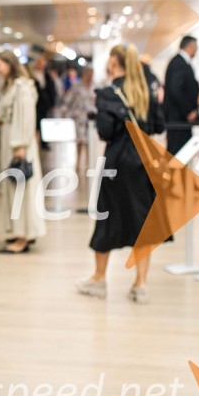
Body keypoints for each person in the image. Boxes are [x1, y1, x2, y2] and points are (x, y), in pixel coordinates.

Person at [77, 43, 165, 304]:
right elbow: (158, 125)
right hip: (144, 161)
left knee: (107, 216)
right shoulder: (147, 90)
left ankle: (99, 279)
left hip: (118, 160)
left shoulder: (108, 92)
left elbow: (105, 131)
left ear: (114, 61)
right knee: (142, 222)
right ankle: (141, 284)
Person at [0, 50, 46, 254]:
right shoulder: (12, 87)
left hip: (18, 147)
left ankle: (22, 237)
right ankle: (20, 232)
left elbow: (25, 118)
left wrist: (20, 147)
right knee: (16, 190)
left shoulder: (22, 87)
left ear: (9, 64)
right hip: (12, 144)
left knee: (21, 192)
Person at [164, 35, 199, 154]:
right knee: (177, 152)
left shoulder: (180, 62)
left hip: (179, 118)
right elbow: (175, 90)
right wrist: (188, 111)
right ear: (191, 46)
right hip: (178, 118)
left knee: (182, 152)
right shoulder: (179, 63)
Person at [58, 65, 96, 174]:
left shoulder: (95, 87)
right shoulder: (77, 86)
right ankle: (78, 163)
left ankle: (89, 163)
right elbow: (67, 101)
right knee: (79, 141)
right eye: (88, 73)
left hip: (91, 119)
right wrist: (63, 113)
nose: (89, 76)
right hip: (79, 118)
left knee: (89, 142)